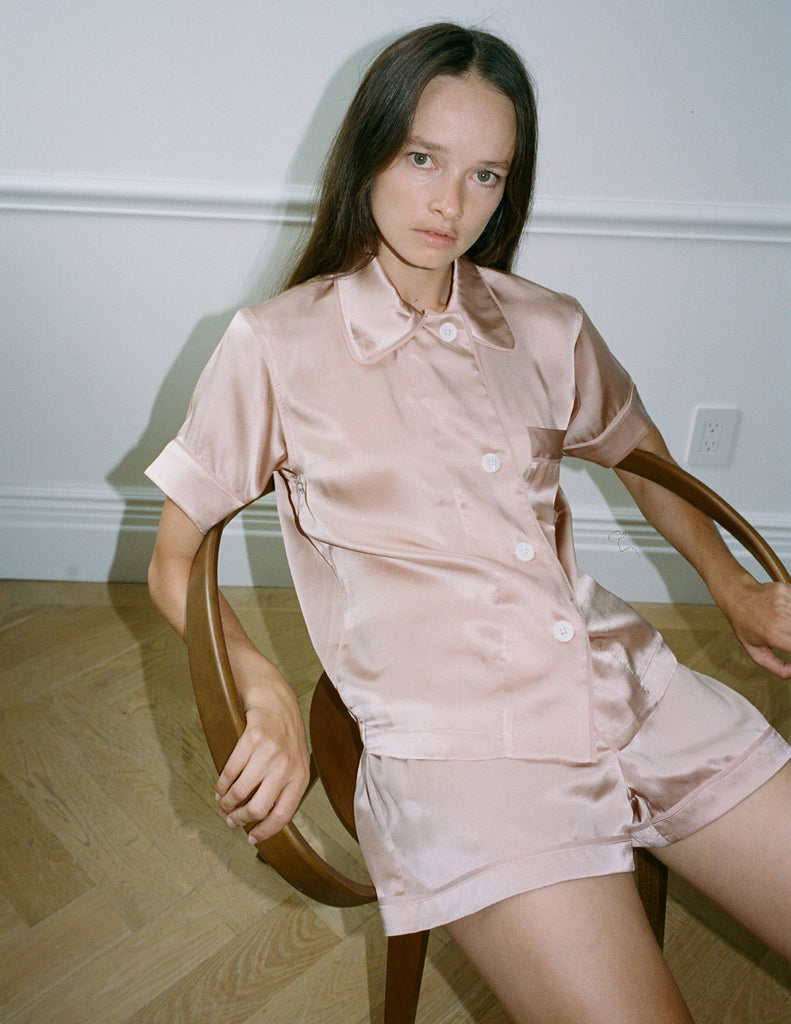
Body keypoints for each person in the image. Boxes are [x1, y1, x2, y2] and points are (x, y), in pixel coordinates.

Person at [146, 23, 791, 1023]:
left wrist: (729, 584)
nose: (451, 203)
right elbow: (174, 556)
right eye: (423, 159)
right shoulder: (274, 344)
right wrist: (262, 685)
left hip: (621, 682)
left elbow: (640, 452)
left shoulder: (544, 325)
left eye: (486, 176)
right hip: (462, 758)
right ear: (369, 152)